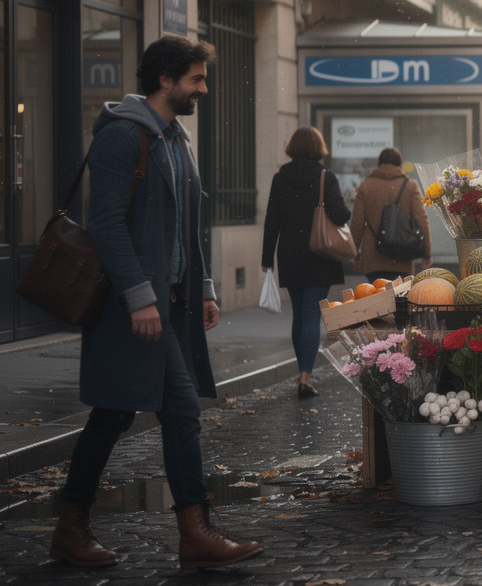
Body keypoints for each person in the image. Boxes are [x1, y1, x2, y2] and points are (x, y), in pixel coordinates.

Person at [51, 35, 262, 570]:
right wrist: (140, 297)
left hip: (169, 302)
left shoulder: (176, 137)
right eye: (195, 78)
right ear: (165, 80)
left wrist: (205, 288)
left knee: (114, 412)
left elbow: (185, 225)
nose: (204, 88)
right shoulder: (125, 136)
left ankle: (70, 526)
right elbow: (105, 222)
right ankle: (195, 532)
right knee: (181, 409)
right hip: (134, 306)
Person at [262, 126, 351, 400]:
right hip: (319, 256)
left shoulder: (280, 178)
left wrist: (267, 258)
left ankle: (302, 374)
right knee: (313, 315)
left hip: (289, 255)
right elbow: (340, 215)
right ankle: (305, 378)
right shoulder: (326, 177)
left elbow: (272, 219)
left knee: (299, 315)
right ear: (318, 147)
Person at [349, 147, 432, 283]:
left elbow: (357, 222)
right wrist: (426, 252)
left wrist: (354, 253)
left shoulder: (366, 185)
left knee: (378, 298)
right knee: (399, 300)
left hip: (373, 257)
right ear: (399, 164)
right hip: (402, 254)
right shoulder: (410, 186)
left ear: (379, 164)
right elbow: (422, 220)